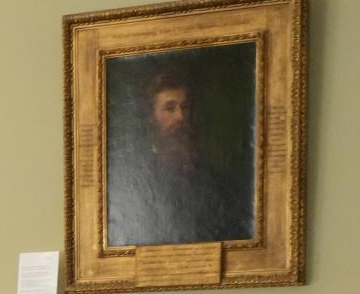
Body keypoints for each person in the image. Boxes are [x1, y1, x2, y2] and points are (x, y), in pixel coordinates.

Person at [105, 60, 253, 248]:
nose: (180, 117)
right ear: (152, 117)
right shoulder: (136, 179)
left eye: (185, 107)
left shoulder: (215, 179)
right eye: (170, 108)